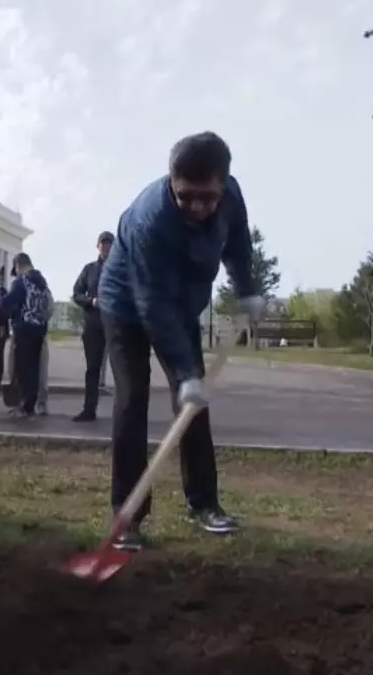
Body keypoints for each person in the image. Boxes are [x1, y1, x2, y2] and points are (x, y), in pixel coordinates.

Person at [97, 131, 265, 551]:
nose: (196, 206)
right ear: (171, 181)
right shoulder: (150, 219)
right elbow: (152, 303)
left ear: (223, 185)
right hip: (126, 306)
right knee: (132, 400)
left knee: (193, 403)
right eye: (185, 195)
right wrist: (185, 369)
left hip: (180, 304)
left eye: (206, 197)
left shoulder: (232, 197)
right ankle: (129, 516)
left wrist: (248, 289)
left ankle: (204, 504)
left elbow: (239, 243)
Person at [0, 252, 51, 418]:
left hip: (23, 329)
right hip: (39, 329)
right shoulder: (41, 282)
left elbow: (7, 303)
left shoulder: (21, 282)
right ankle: (31, 405)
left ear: (18, 265)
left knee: (21, 369)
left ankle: (24, 406)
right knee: (34, 369)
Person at [70, 230, 114, 422]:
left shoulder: (122, 268)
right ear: (98, 246)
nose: (106, 247)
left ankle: (126, 413)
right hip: (94, 324)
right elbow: (76, 293)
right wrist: (91, 301)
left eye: (109, 244)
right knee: (93, 369)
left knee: (123, 370)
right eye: (103, 244)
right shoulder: (89, 269)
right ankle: (89, 410)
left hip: (116, 324)